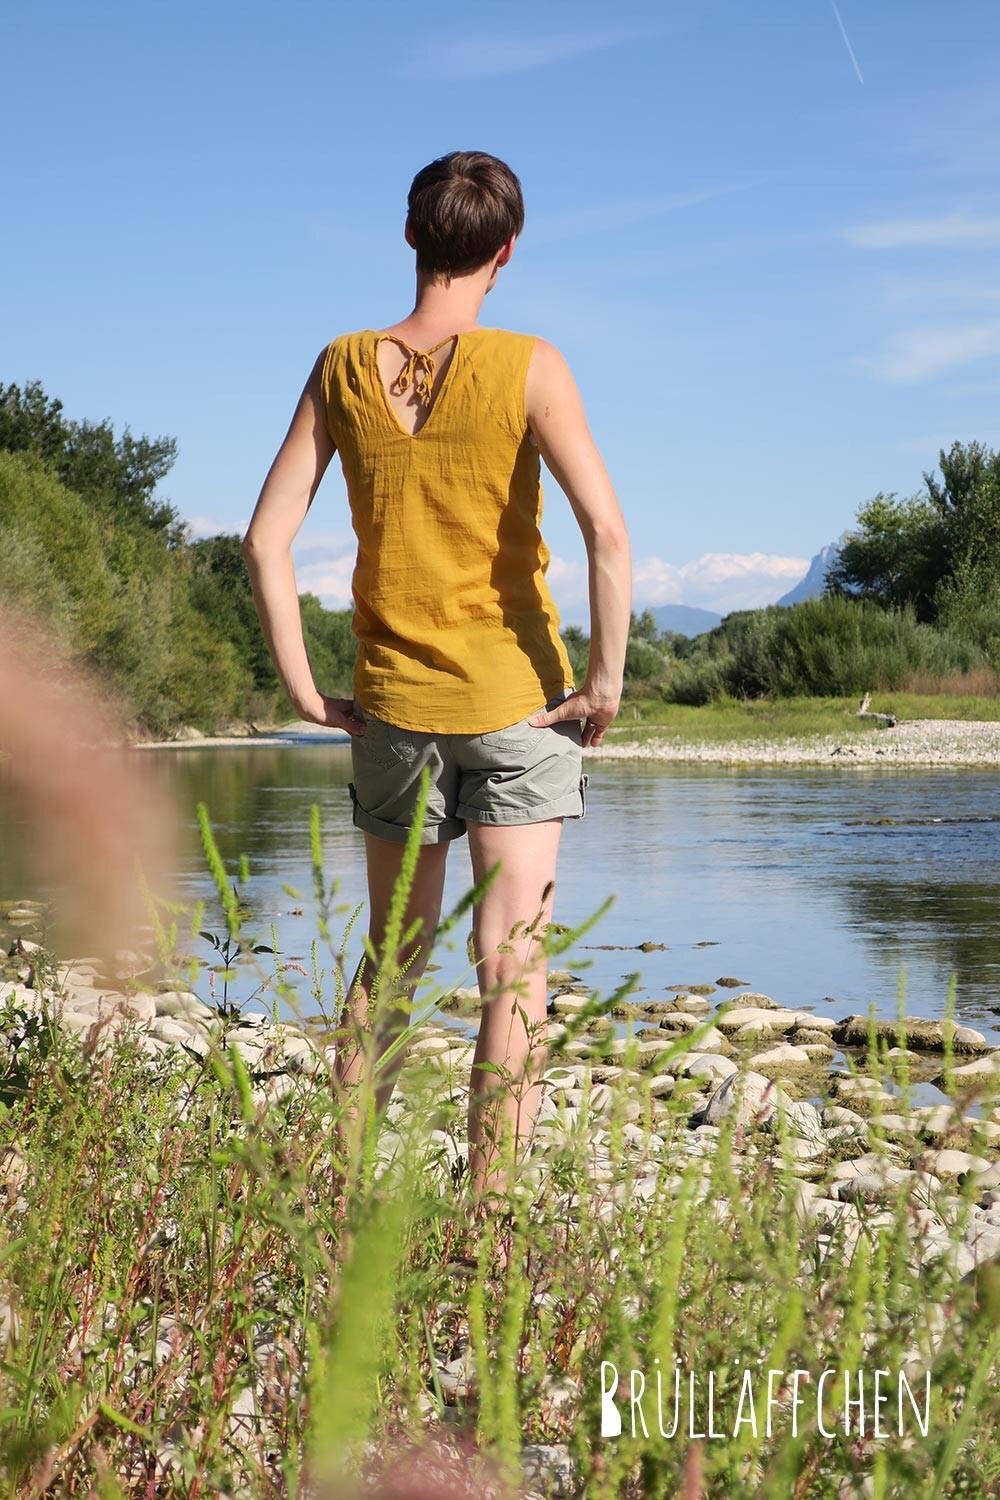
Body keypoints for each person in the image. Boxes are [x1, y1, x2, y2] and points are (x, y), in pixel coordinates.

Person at [241, 149, 631, 1198]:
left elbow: (264, 540)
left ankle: (348, 1191)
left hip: (392, 713)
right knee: (513, 970)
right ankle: (489, 1222)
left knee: (392, 961)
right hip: (520, 704)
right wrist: (604, 682)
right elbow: (606, 531)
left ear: (411, 237)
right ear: (505, 252)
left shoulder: (339, 365)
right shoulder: (531, 365)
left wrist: (302, 690)